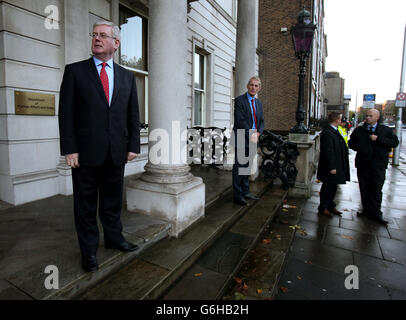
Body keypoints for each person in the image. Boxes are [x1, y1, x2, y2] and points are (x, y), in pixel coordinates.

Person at [58, 21, 140, 272]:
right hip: (85, 154)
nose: (96, 39)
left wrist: (133, 144)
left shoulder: (127, 76)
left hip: (116, 151)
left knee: (112, 202)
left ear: (115, 43)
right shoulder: (75, 71)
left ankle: (115, 239)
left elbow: (132, 114)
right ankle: (89, 251)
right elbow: (66, 114)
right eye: (94, 34)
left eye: (103, 35)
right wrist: (70, 149)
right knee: (85, 205)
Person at [348, 109, 399, 225]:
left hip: (378, 165)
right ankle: (365, 210)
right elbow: (351, 143)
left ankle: (376, 213)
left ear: (377, 117)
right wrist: (360, 147)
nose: (368, 118)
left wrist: (378, 139)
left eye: (370, 116)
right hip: (363, 164)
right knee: (364, 188)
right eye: (367, 116)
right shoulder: (360, 130)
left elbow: (394, 143)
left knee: (376, 189)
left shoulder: (385, 130)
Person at [232, 76, 265, 206]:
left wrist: (258, 133)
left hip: (253, 138)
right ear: (247, 86)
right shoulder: (240, 100)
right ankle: (237, 195)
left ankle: (245, 192)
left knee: (246, 167)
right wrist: (250, 134)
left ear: (259, 88)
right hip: (241, 136)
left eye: (256, 86)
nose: (253, 87)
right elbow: (240, 121)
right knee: (239, 167)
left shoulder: (259, 103)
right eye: (251, 85)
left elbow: (261, 121)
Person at [317, 112, 350, 217]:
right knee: (327, 187)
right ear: (337, 121)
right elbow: (328, 151)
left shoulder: (335, 130)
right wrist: (332, 167)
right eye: (340, 119)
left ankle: (331, 205)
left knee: (333, 186)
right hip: (331, 166)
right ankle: (323, 207)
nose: (342, 121)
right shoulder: (328, 132)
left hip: (337, 164)